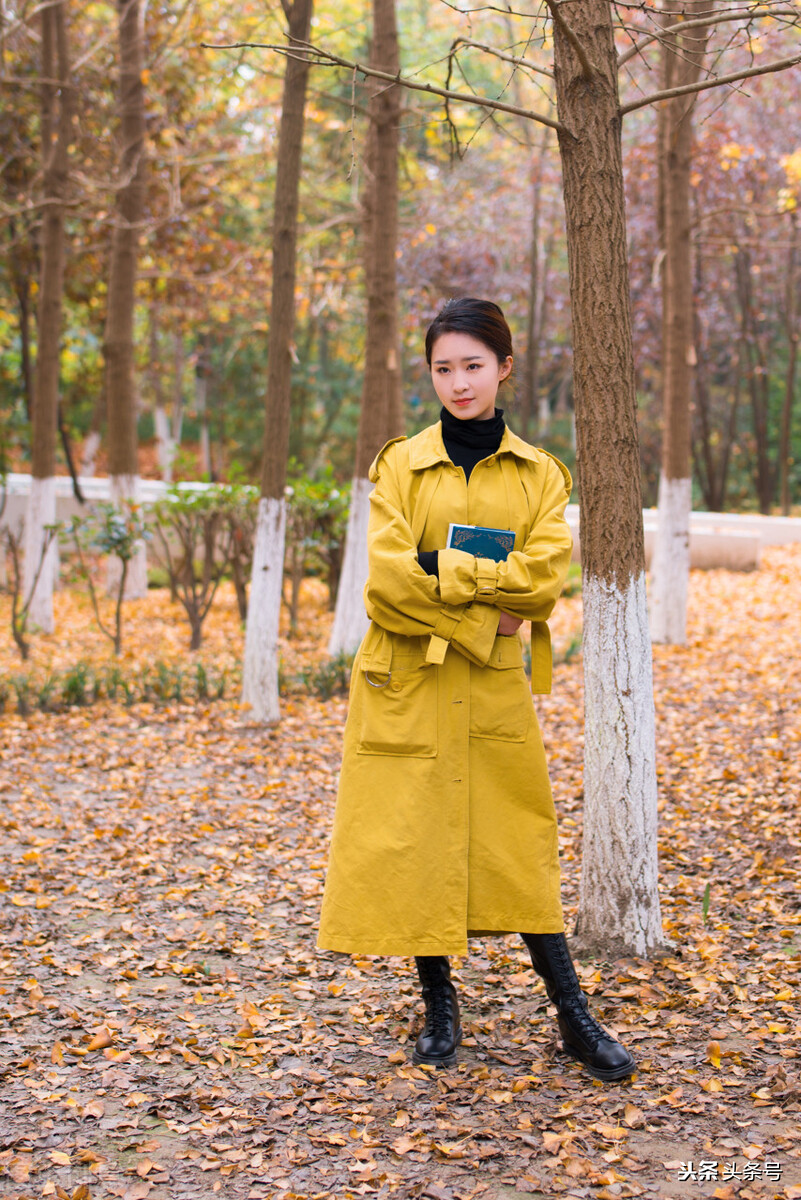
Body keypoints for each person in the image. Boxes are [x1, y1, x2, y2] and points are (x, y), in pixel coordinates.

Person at [318, 298, 635, 1082]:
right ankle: (437, 1008)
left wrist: (445, 572)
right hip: (407, 682)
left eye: (471, 365)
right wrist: (477, 608)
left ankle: (571, 1014)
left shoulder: (538, 474)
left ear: (504, 366)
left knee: (515, 849)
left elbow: (540, 585)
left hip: (493, 692)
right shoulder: (399, 465)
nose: (457, 383)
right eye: (442, 368)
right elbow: (387, 587)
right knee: (421, 842)